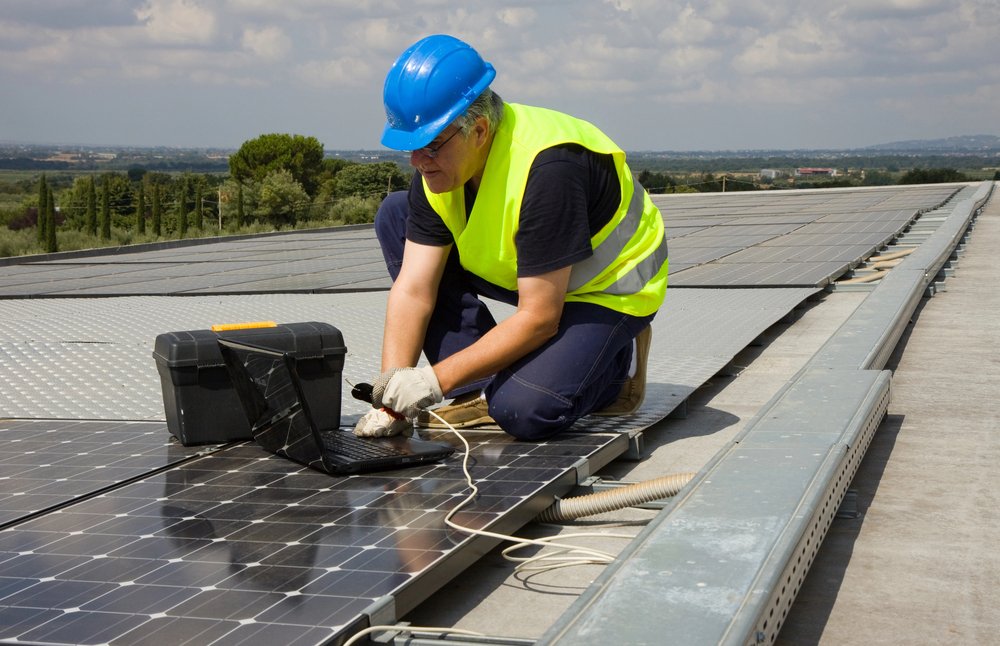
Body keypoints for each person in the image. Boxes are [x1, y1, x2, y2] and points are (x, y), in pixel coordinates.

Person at [354, 34, 668, 441]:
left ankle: (612, 366)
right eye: (410, 148)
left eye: (429, 146)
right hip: (537, 273)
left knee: (524, 409)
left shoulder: (549, 168)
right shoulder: (441, 167)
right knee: (397, 214)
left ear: (480, 130)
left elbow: (539, 317)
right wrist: (392, 397)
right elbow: (414, 290)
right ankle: (477, 388)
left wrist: (433, 382)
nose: (417, 162)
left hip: (607, 290)